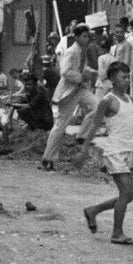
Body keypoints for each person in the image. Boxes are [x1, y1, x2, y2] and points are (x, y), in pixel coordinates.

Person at [82, 62, 133, 245]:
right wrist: (84, 149)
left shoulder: (129, 99)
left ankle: (93, 210)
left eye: (127, 77)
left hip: (129, 151)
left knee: (129, 195)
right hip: (115, 151)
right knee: (125, 194)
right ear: (112, 79)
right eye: (122, 77)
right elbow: (94, 124)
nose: (126, 81)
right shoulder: (107, 100)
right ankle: (117, 233)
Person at [40, 23, 96, 172]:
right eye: (84, 36)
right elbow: (65, 71)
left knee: (97, 106)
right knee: (60, 126)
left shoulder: (83, 51)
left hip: (80, 88)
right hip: (68, 91)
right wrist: (80, 76)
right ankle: (47, 158)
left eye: (87, 36)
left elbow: (81, 68)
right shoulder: (71, 52)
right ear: (77, 37)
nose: (87, 39)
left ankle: (81, 136)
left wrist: (89, 72)